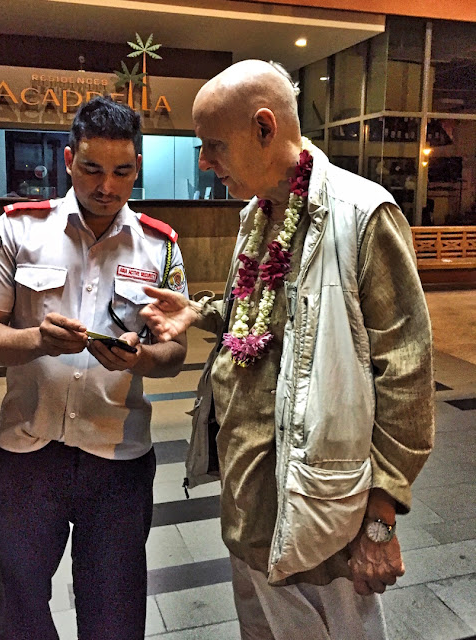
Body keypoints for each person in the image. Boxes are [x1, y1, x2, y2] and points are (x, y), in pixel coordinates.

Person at [140, 60, 434, 640]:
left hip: (322, 510)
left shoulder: (361, 216)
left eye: (213, 145)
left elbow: (407, 372)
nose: (204, 161)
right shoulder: (257, 214)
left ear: (265, 128)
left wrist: (380, 519)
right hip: (250, 504)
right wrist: (202, 313)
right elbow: (266, 321)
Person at [0, 96, 188, 640]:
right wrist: (36, 340)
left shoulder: (160, 246)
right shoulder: (18, 230)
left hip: (118, 460)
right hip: (26, 455)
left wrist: (142, 358)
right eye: (91, 168)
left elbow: (173, 356)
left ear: (137, 167)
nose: (106, 186)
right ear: (68, 161)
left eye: (122, 171)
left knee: (114, 612)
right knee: (20, 605)